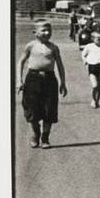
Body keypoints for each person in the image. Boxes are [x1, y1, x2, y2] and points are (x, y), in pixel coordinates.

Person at [16, 20, 68, 148]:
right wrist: (19, 80)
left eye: (49, 30)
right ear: (35, 32)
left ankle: (45, 138)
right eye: (43, 30)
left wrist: (63, 83)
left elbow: (60, 65)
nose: (47, 33)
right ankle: (36, 132)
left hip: (49, 80)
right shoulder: (30, 46)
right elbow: (20, 62)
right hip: (33, 79)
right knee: (31, 109)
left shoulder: (54, 48)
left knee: (49, 109)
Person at [80, 29, 100, 108]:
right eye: (99, 39)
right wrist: (84, 60)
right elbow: (83, 54)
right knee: (95, 86)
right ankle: (93, 99)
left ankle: (97, 102)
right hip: (92, 67)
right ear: (92, 39)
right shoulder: (89, 46)